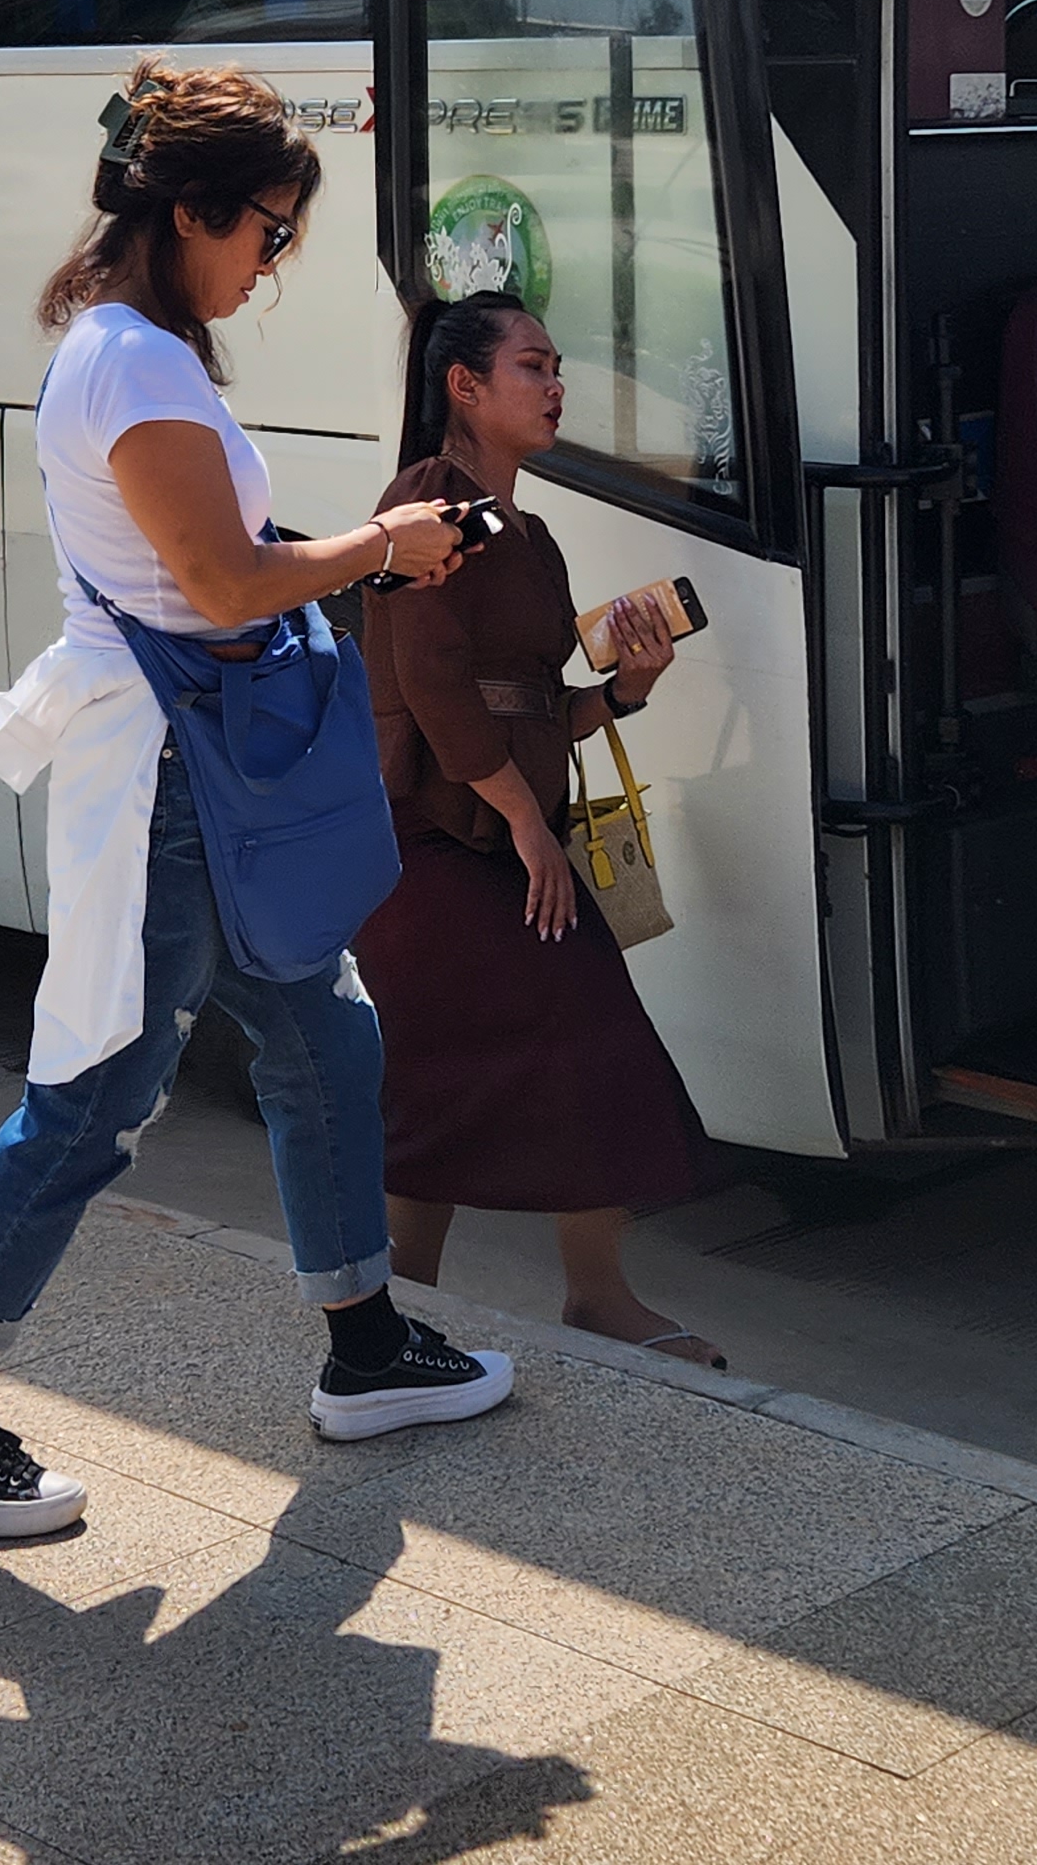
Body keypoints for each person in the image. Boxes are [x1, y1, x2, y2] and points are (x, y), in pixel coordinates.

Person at [0, 59, 505, 1542]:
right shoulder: (137, 366)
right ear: (194, 211)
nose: (271, 265)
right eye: (269, 231)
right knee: (96, 1095)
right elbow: (218, 586)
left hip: (193, 766)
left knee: (323, 1039)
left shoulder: (129, 347)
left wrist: (363, 544)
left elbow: (202, 554)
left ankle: (365, 1345)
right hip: (170, 776)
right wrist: (382, 550)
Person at [359, 291, 727, 1368]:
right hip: (432, 838)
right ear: (464, 386)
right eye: (533, 365)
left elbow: (532, 709)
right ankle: (444, 1306)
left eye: (557, 365)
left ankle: (529, 1299)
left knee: (473, 1068)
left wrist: (627, 690)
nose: (557, 384)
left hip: (500, 834)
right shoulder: (423, 502)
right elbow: (431, 680)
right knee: (485, 1062)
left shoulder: (534, 534)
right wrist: (526, 822)